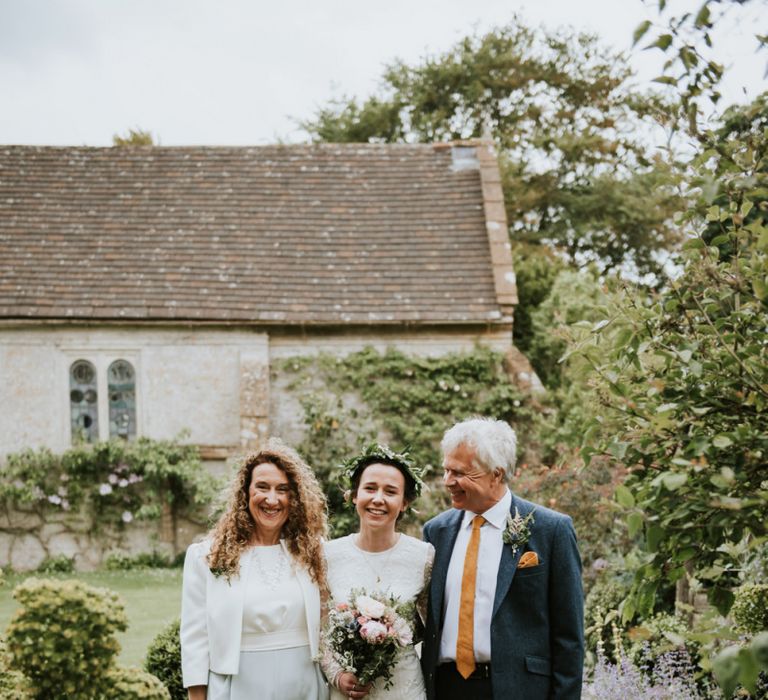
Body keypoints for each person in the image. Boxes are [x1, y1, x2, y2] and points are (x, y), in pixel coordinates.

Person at [421, 417, 584, 700]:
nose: (448, 482)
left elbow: (569, 638)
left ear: (496, 475)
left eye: (460, 473)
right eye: (446, 470)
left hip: (519, 690)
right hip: (447, 688)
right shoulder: (436, 532)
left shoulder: (551, 530)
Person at [181, 439, 329, 700]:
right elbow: (195, 636)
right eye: (262, 487)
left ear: (294, 497)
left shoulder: (314, 552)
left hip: (303, 683)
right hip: (238, 685)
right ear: (245, 493)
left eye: (282, 489)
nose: (272, 499)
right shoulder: (207, 556)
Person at [322, 444, 434, 700]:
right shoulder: (329, 555)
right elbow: (320, 631)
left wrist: (390, 634)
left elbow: (430, 630)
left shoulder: (424, 557)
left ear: (404, 502)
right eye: (370, 488)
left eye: (390, 491)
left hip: (404, 689)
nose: (378, 499)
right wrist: (337, 675)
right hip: (349, 691)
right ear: (353, 495)